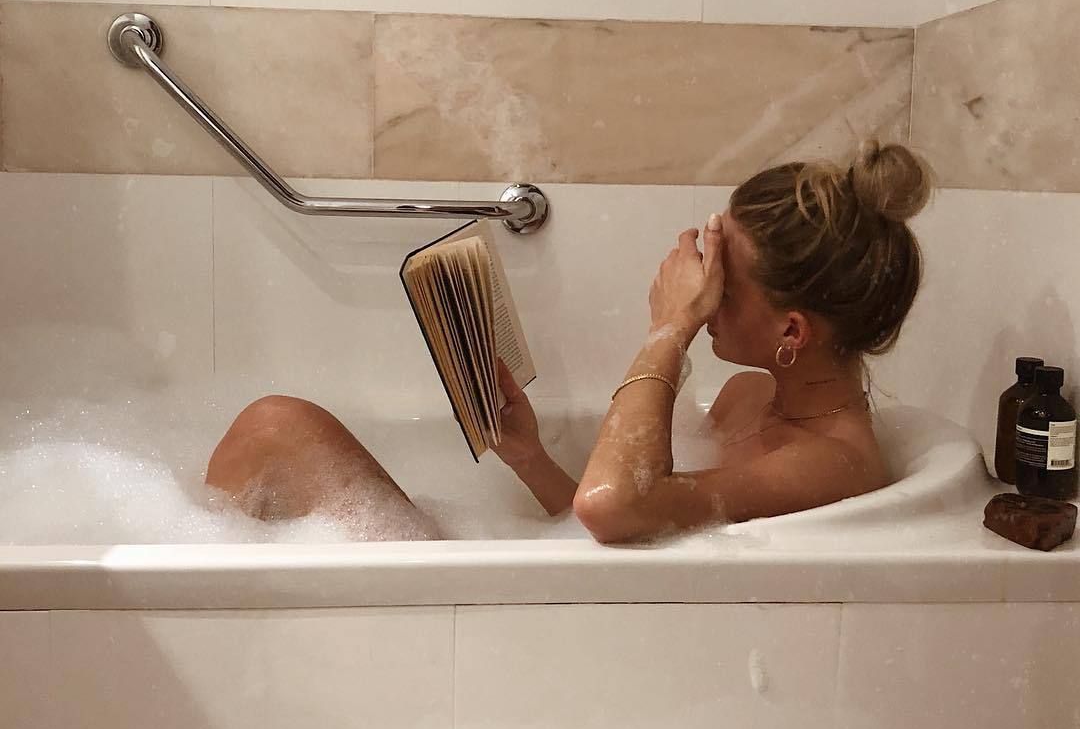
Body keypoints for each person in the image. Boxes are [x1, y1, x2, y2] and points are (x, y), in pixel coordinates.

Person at [205, 137, 933, 544]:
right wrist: (530, 458)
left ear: (791, 332)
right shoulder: (748, 397)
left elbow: (616, 509)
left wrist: (670, 327)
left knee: (277, 427)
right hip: (553, 606)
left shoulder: (832, 465)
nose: (702, 291)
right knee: (274, 428)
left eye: (721, 283)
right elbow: (624, 526)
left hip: (549, 646)